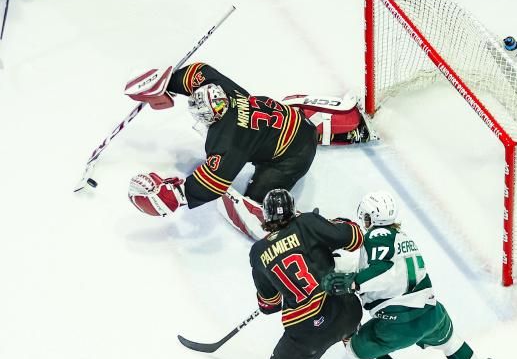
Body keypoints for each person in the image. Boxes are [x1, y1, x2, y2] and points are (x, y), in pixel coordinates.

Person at [124, 63, 372, 238]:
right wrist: (165, 84)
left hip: (293, 157)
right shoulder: (224, 90)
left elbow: (212, 184)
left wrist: (174, 194)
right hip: (296, 122)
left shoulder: (229, 141)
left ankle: (312, 233)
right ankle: (339, 124)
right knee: (276, 119)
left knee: (261, 209)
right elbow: (199, 72)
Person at [322, 191, 503, 359]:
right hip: (431, 313)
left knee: (356, 350)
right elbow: (387, 266)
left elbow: (383, 270)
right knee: (450, 341)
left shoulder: (376, 236)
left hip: (397, 324)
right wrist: (352, 271)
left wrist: (353, 282)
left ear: (371, 217)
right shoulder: (403, 237)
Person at [248, 188, 364, 359]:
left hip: (309, 332)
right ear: (292, 210)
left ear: (265, 217)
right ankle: (366, 352)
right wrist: (334, 226)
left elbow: (269, 305)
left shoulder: (258, 252)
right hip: (347, 310)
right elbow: (354, 238)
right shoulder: (308, 224)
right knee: (345, 327)